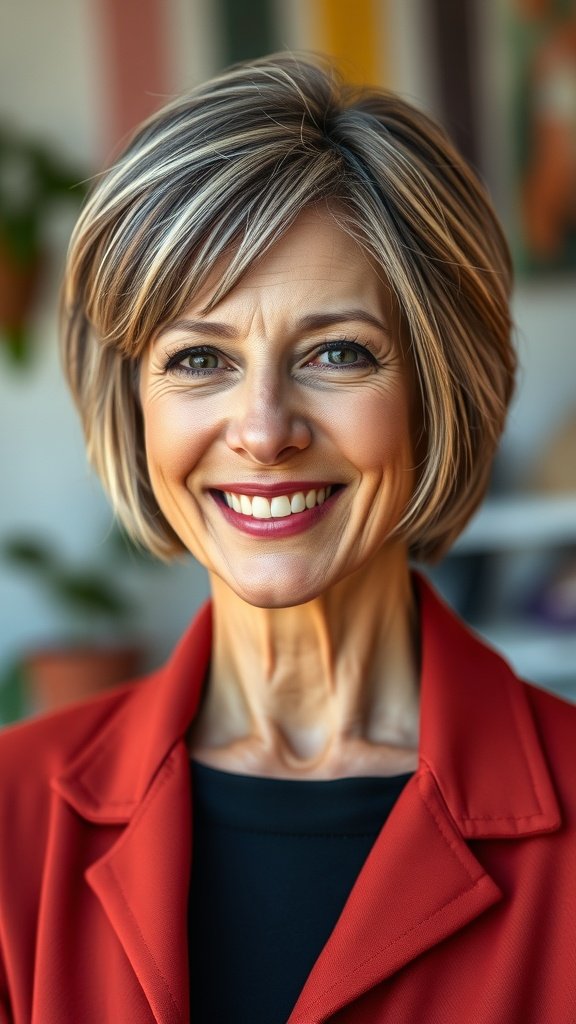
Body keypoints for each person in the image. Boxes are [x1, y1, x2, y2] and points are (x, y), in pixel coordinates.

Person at [0, 52, 574, 1024]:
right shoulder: (14, 821)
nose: (264, 429)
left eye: (337, 352)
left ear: (440, 392)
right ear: (134, 407)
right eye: (199, 359)